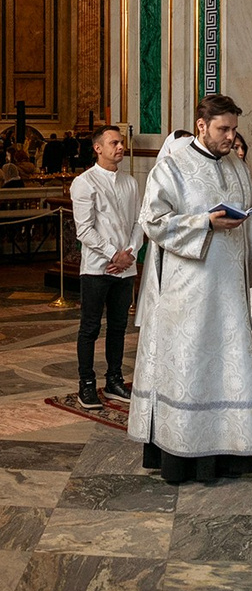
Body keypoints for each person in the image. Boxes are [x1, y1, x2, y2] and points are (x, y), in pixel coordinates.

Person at [129, 94, 252, 485]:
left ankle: (228, 456)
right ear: (201, 126)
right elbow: (154, 221)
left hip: (229, 293)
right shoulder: (172, 167)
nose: (230, 137)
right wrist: (204, 223)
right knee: (191, 370)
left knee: (228, 368)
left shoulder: (236, 168)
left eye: (234, 129)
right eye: (223, 130)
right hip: (189, 295)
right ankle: (182, 458)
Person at [72, 124, 141, 408]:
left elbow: (139, 222)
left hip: (125, 267)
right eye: (114, 143)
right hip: (96, 268)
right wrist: (114, 253)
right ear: (98, 148)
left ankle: (114, 380)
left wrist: (131, 252)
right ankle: (86, 384)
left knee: (118, 326)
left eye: (122, 142)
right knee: (90, 328)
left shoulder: (131, 182)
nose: (120, 147)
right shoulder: (85, 182)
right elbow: (84, 230)